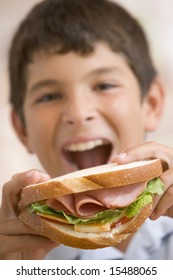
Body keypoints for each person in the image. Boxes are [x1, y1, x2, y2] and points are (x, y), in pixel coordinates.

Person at [0, 0, 173, 260]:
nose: (79, 114)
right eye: (49, 96)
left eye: (104, 85)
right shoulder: (16, 254)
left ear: (151, 104)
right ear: (22, 128)